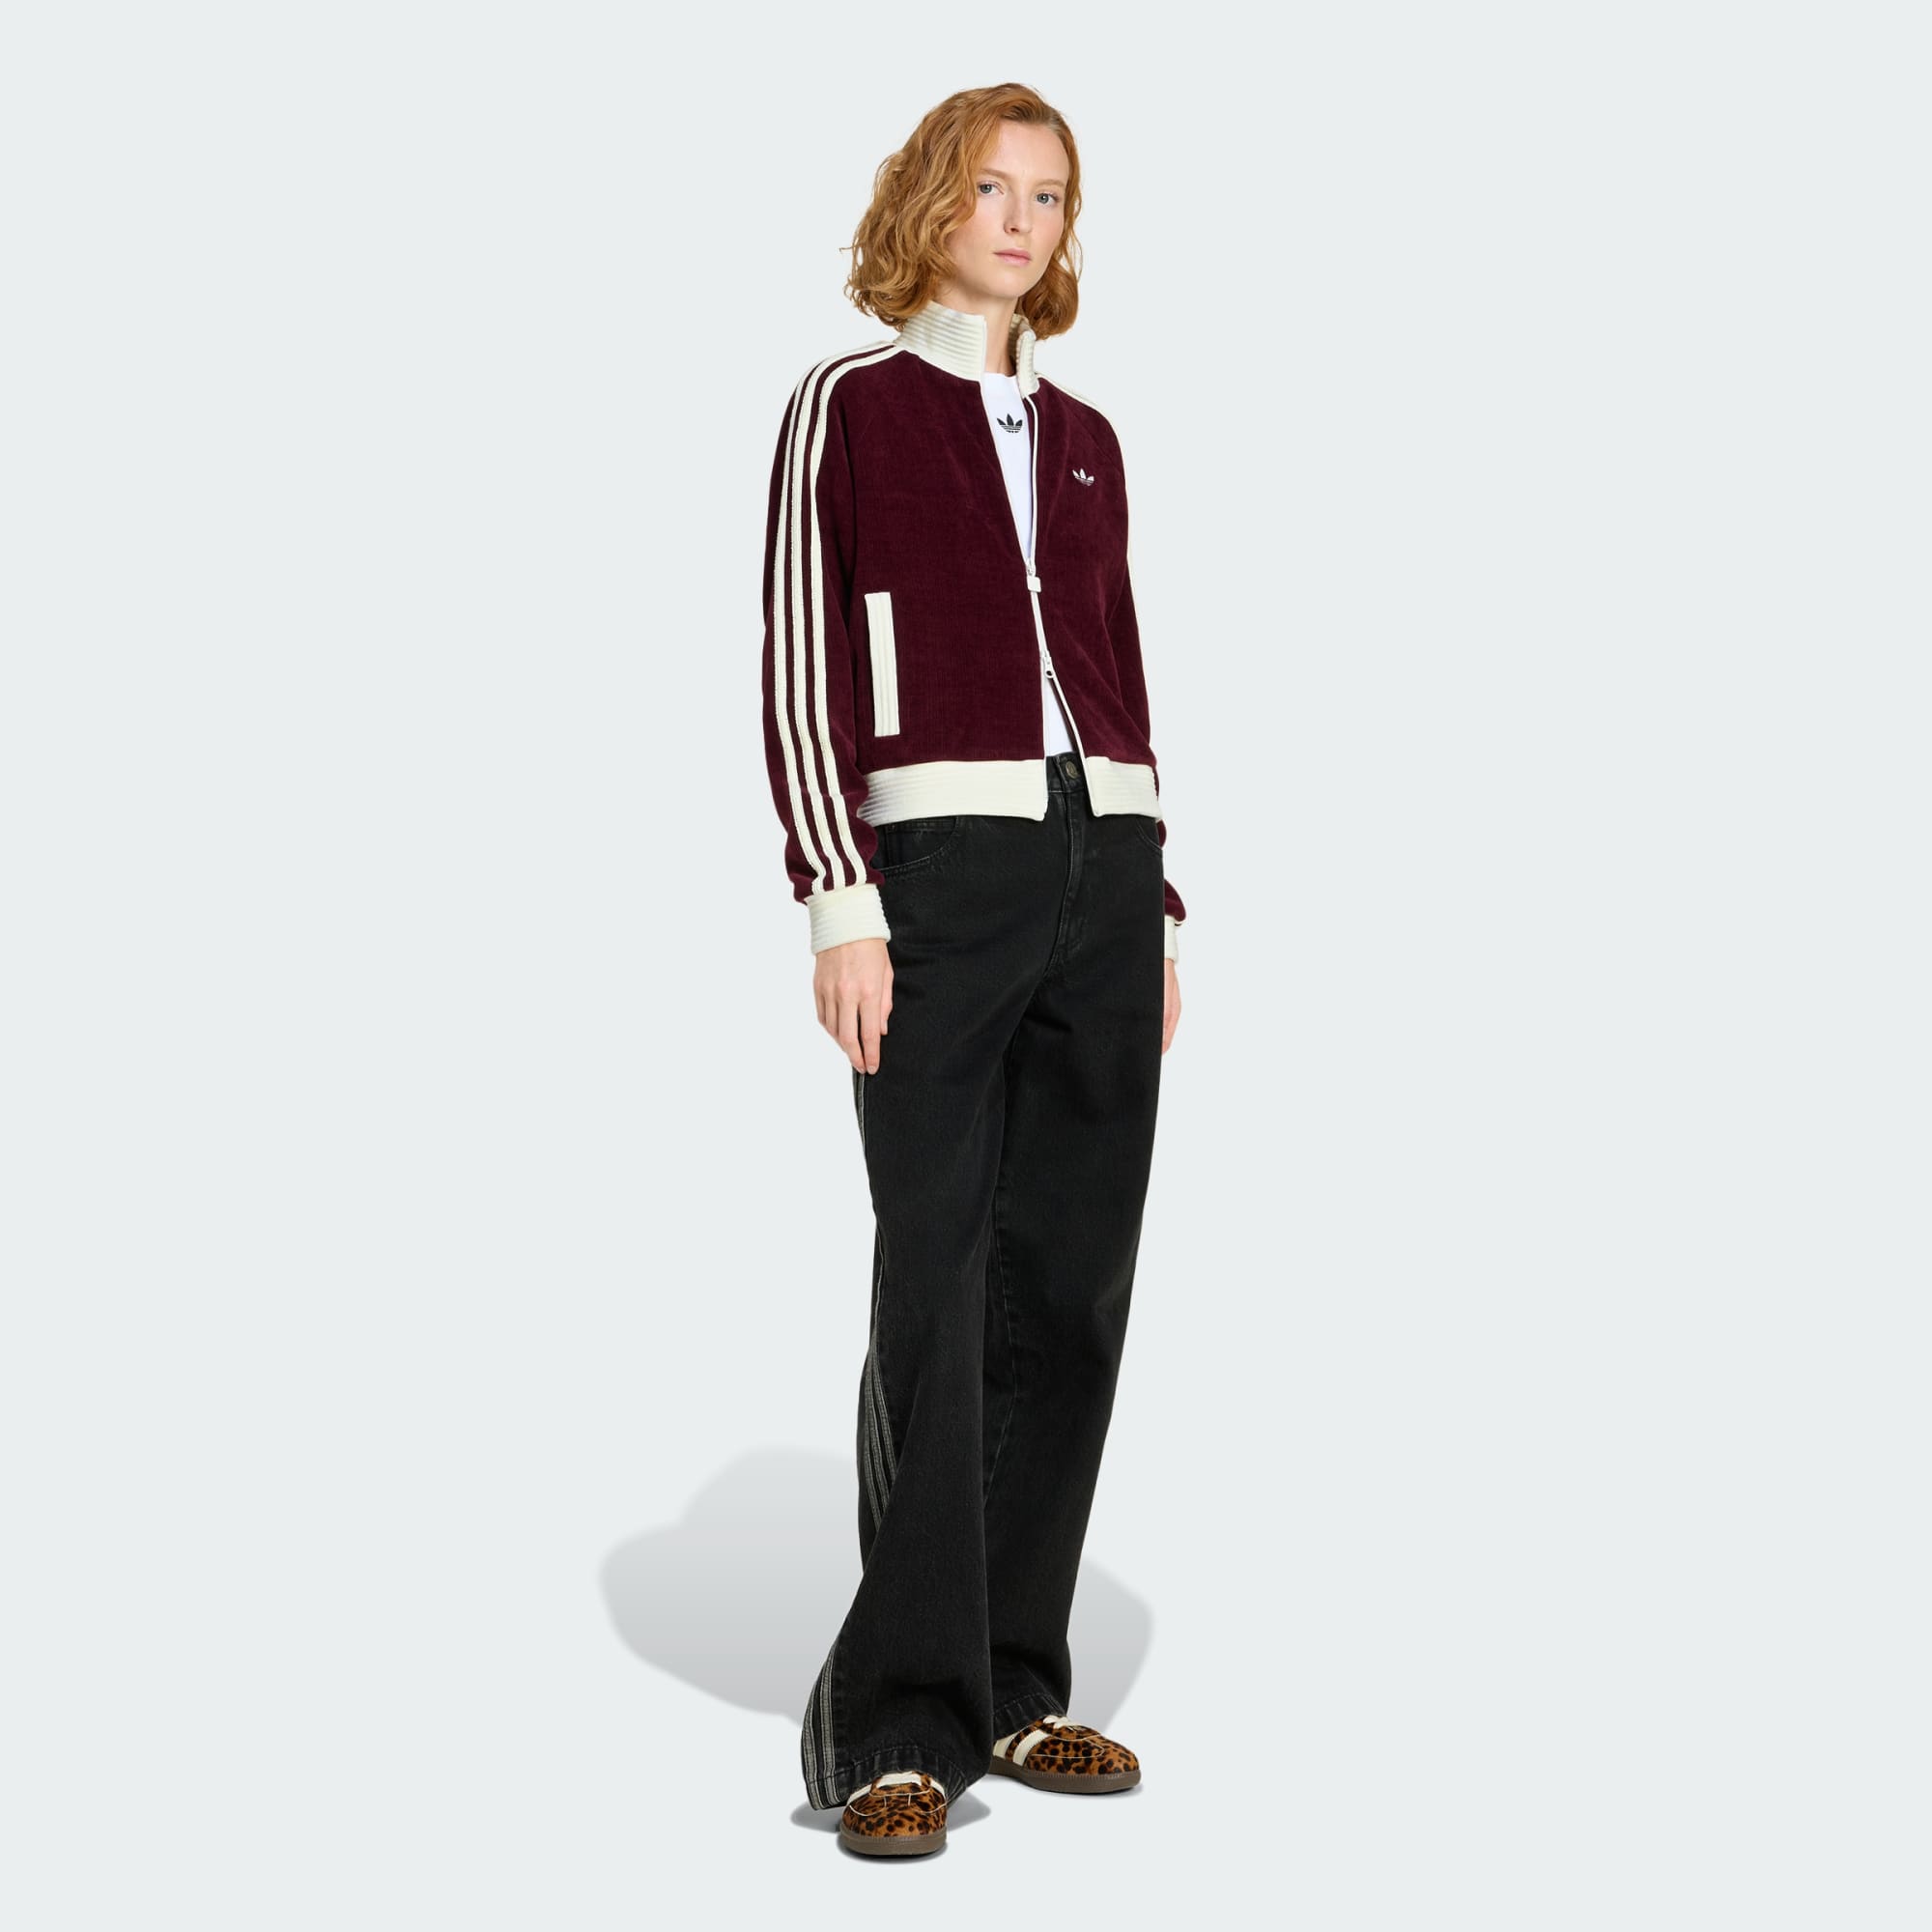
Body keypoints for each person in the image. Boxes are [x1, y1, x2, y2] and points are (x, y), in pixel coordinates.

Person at [759, 81, 1186, 1858]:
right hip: (935, 879)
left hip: (1105, 872)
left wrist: (1161, 905)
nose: (1022, 220)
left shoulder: (1087, 436)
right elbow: (799, 656)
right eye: (993, 187)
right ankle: (895, 1717)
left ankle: (1012, 1681)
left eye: (1051, 195)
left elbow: (1118, 660)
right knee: (935, 1278)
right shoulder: (850, 406)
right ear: (933, 201)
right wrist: (838, 896)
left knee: (1070, 1283)